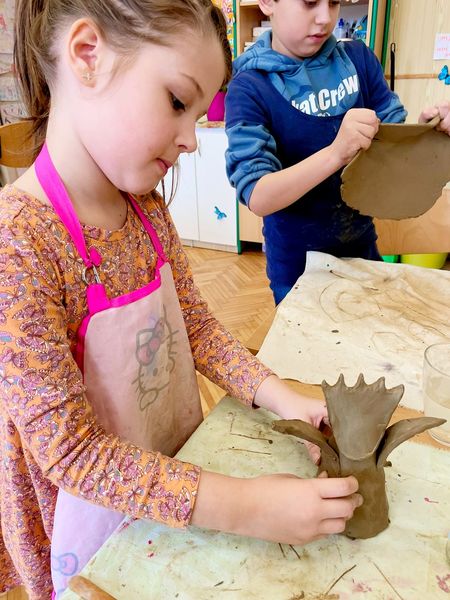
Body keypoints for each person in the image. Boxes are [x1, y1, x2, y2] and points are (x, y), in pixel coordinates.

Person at [0, 2, 365, 598]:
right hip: (90, 522)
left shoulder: (146, 208)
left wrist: (282, 398)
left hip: (177, 479)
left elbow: (196, 327)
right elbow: (74, 455)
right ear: (88, 54)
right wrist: (250, 507)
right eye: (177, 102)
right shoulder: (20, 241)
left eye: (197, 115)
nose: (191, 141)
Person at [225, 0, 450, 305]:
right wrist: (335, 154)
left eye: (333, 3)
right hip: (298, 270)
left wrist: (425, 132)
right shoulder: (250, 87)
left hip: (361, 253)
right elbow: (259, 195)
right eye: (309, 3)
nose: (324, 18)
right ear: (267, 3)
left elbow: (394, 155)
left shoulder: (358, 60)